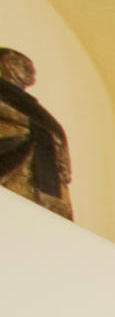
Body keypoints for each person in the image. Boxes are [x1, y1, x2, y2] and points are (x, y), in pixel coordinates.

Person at [0, 49, 73, 221]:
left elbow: (53, 131)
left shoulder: (31, 106)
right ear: (7, 65)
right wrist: (26, 126)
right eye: (22, 65)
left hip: (44, 179)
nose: (31, 72)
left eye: (31, 68)